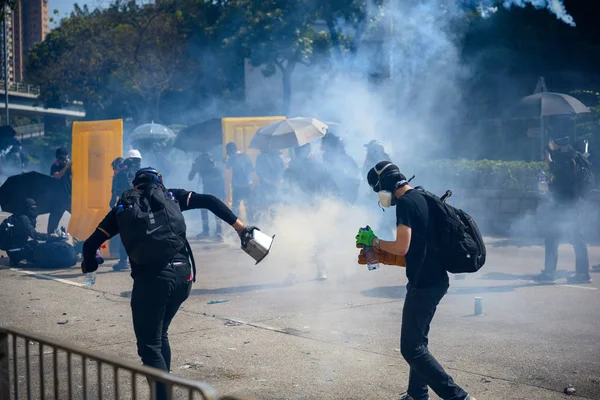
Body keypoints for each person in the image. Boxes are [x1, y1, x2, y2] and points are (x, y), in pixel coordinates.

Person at [80, 167, 254, 400]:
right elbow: (211, 200)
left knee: (149, 347)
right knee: (160, 335)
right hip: (183, 276)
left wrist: (90, 265)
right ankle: (165, 388)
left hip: (152, 281)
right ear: (159, 182)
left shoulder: (124, 208)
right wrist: (240, 228)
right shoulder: (171, 196)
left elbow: (89, 246)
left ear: (134, 186)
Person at [356, 161, 475, 400]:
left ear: (384, 185)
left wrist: (374, 242)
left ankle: (458, 397)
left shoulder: (406, 205)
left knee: (411, 349)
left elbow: (402, 247)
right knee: (418, 343)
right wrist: (383, 255)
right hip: (435, 278)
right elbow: (419, 247)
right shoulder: (421, 196)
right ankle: (417, 394)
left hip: (425, 284)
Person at [534, 136, 592, 284]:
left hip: (564, 204)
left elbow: (563, 183)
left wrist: (548, 184)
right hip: (573, 202)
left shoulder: (564, 159)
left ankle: (549, 273)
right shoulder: (576, 156)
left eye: (552, 143)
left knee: (552, 236)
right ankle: (582, 273)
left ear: (557, 144)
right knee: (576, 238)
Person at [109, 151, 143, 271]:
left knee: (124, 234)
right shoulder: (144, 174)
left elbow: (114, 196)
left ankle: (123, 261)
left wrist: (113, 203)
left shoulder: (121, 174)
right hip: (142, 208)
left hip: (126, 208)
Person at [0, 198, 48, 266]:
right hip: (18, 251)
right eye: (32, 208)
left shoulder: (15, 217)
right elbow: (34, 235)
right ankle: (23, 260)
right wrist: (50, 237)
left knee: (30, 243)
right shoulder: (24, 219)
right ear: (27, 208)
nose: (34, 210)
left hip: (11, 252)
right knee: (35, 245)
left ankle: (16, 259)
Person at [188, 152, 225, 240]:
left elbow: (221, 180)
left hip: (216, 190)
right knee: (204, 210)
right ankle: (206, 231)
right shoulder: (201, 168)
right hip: (207, 190)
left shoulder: (216, 169)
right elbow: (190, 177)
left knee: (216, 210)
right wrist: (193, 169)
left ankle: (218, 231)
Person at [321, 133, 360, 204]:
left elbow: (353, 172)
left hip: (344, 188)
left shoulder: (343, 158)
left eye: (324, 143)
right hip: (338, 188)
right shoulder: (327, 156)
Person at [225, 142, 254, 222]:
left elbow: (227, 166)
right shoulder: (246, 155)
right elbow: (251, 168)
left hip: (237, 187)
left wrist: (227, 159)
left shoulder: (232, 158)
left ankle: (237, 227)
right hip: (248, 185)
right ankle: (252, 226)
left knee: (235, 209)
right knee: (249, 208)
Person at [48, 146, 72, 235]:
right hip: (58, 199)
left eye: (63, 158)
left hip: (70, 198)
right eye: (60, 158)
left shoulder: (71, 166)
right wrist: (66, 167)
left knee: (80, 219)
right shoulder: (55, 166)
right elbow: (57, 176)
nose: (62, 160)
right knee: (51, 227)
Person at [255, 150, 284, 219]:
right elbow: (259, 172)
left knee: (273, 206)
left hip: (274, 185)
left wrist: (276, 180)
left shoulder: (278, 157)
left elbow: (281, 171)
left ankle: (271, 222)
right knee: (265, 206)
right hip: (266, 185)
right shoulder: (261, 158)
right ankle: (265, 223)